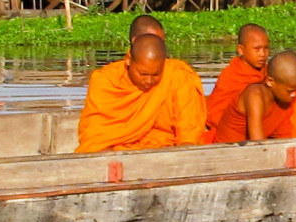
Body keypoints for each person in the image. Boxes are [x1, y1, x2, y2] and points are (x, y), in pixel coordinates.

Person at [76, 33, 206, 152]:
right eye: (143, 74)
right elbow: (94, 136)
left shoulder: (177, 76)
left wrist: (182, 157)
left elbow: (189, 130)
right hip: (117, 152)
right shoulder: (106, 80)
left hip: (165, 152)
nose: (148, 81)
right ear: (128, 59)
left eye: (155, 74)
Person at [213, 51, 296, 143]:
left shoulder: (284, 100)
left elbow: (283, 137)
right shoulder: (255, 96)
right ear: (270, 81)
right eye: (289, 91)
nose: (294, 94)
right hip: (229, 151)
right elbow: (257, 143)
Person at [205, 23, 270, 130]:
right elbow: (215, 114)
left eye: (266, 48)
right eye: (257, 49)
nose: (262, 54)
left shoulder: (268, 71)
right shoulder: (231, 75)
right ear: (241, 50)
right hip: (229, 129)